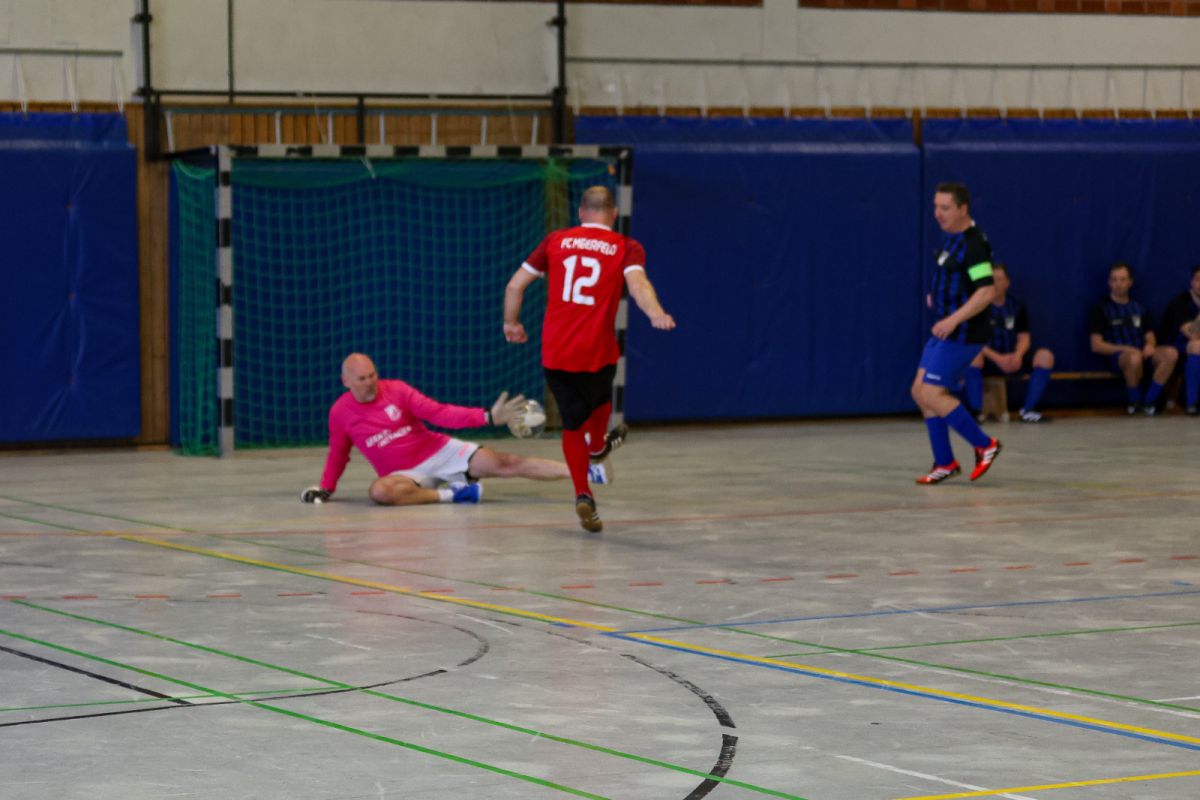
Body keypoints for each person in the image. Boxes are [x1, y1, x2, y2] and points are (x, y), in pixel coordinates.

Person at [503, 185, 675, 532]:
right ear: (614, 214)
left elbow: (514, 286)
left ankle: (583, 492)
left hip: (556, 351)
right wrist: (656, 312)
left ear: (581, 212)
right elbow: (638, 286)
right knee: (599, 404)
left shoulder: (555, 241)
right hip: (596, 350)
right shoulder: (625, 246)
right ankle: (598, 447)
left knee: (572, 424)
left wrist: (512, 323)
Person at [299, 353, 605, 506]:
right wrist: (326, 488)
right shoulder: (340, 413)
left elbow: (439, 412)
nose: (370, 383)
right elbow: (338, 454)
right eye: (362, 379)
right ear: (346, 381)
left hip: (438, 452)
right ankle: (452, 495)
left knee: (504, 462)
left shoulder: (397, 390)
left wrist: (487, 417)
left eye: (372, 375)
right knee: (380, 492)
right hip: (403, 473)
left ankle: (584, 471)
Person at [911, 182, 1002, 485]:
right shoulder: (952, 238)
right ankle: (945, 462)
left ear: (963, 209)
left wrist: (952, 319)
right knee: (919, 391)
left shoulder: (974, 244)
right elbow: (954, 276)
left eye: (945, 208)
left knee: (932, 393)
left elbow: (986, 291)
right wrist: (936, 296)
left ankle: (984, 445)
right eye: (936, 207)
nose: (938, 213)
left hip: (963, 333)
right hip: (945, 329)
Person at [963, 263, 1056, 423]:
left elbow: (1024, 337)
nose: (995, 284)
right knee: (973, 356)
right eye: (992, 280)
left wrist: (1018, 355)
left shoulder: (1017, 307)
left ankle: (1027, 411)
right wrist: (998, 358)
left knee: (1045, 356)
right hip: (989, 359)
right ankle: (975, 412)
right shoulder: (977, 307)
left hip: (1013, 359)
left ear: (1007, 282)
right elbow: (973, 340)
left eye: (999, 279)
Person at [1088, 262, 1177, 416]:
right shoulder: (1101, 308)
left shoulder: (1139, 308)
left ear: (1130, 282)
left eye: (1122, 279)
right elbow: (1096, 345)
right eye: (1114, 280)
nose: (1118, 284)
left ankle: (1149, 401)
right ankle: (1134, 402)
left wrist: (1150, 345)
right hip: (1118, 357)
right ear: (1109, 282)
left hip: (1141, 353)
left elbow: (1150, 336)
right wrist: (1126, 349)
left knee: (1171, 353)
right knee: (1133, 358)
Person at [1158, 263, 1200, 416]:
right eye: (1198, 279)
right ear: (1192, 281)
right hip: (1176, 348)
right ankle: (1191, 403)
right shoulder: (1180, 302)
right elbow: (1193, 334)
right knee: (1196, 345)